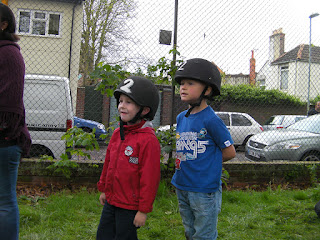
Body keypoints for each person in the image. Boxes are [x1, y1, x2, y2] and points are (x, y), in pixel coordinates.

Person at [171, 58, 236, 240]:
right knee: (190, 231)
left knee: (204, 234)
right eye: (182, 83)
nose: (183, 87)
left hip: (204, 188)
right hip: (182, 184)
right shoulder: (181, 118)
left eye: (190, 83)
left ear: (207, 90)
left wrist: (206, 164)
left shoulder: (211, 120)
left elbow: (230, 152)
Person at [96, 76, 161, 240]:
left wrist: (143, 210)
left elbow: (150, 178)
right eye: (121, 101)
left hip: (130, 206)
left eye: (128, 102)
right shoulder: (118, 133)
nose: (121, 106)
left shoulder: (148, 140)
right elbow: (109, 163)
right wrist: (104, 188)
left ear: (144, 110)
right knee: (103, 235)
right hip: (111, 201)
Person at [0, 3, 31, 240]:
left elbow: (9, 105)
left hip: (5, 139)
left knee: (4, 200)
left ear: (3, 24)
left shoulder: (9, 53)